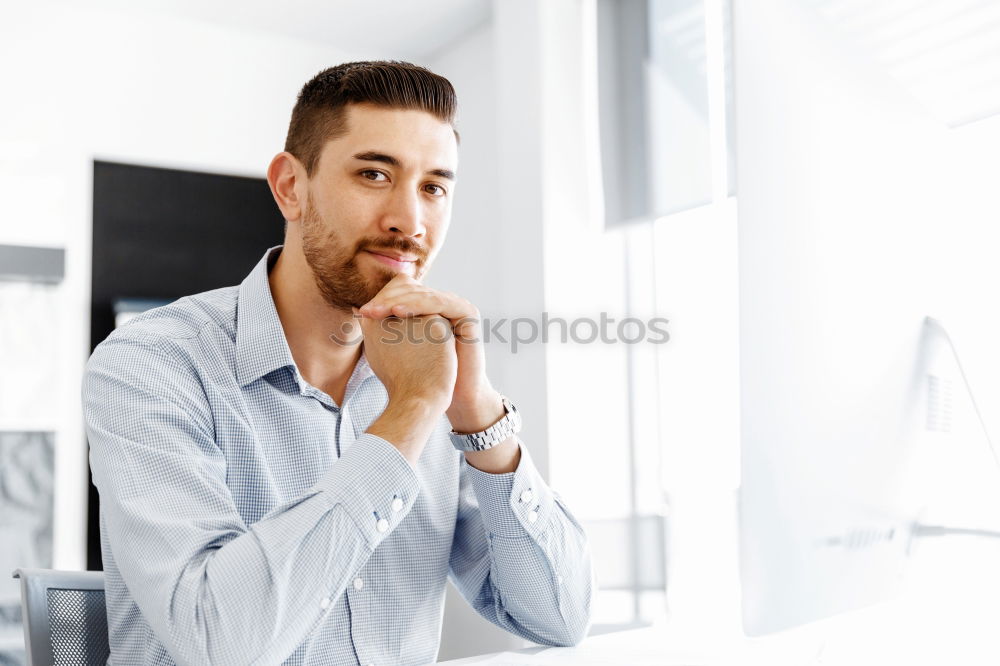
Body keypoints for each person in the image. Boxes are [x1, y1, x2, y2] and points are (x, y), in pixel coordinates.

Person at [83, 61, 593, 666]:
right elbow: (219, 642)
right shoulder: (153, 363)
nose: (410, 221)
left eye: (434, 187)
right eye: (374, 173)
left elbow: (558, 617)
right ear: (290, 187)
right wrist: (407, 416)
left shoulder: (429, 381)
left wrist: (478, 415)